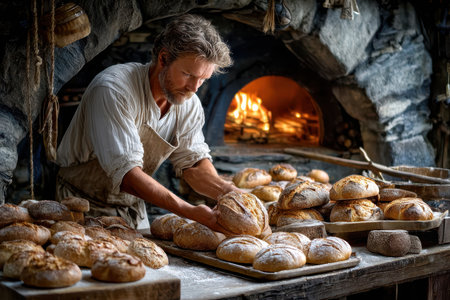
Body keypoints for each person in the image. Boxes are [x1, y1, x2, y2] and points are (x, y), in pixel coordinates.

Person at [55, 14, 241, 232]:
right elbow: (126, 175)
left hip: (132, 208)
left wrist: (229, 193)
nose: (194, 88)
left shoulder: (189, 103)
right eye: (189, 75)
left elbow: (193, 164)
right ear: (163, 59)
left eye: (203, 79)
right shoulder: (114, 89)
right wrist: (190, 211)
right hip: (79, 206)